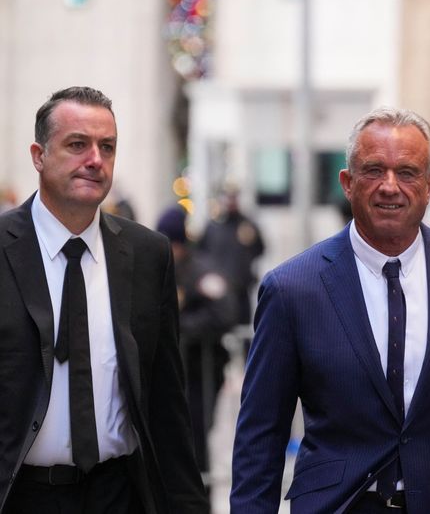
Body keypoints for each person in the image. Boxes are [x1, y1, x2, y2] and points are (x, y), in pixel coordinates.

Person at [231, 107, 430, 513]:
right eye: (374, 170)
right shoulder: (292, 288)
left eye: (408, 172)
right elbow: (260, 436)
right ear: (348, 183)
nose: (390, 186)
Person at [0, 87, 208, 513]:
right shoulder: (4, 249)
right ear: (39, 155)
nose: (95, 160)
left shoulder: (148, 254)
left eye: (107, 147)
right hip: (21, 496)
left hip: (119, 494)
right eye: (77, 144)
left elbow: (167, 404)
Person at [156, 206, 237, 479]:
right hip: (169, 373)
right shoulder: (160, 268)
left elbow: (224, 313)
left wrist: (180, 326)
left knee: (195, 444)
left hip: (200, 372)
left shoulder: (201, 270)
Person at [198, 187, 265, 325]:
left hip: (241, 290)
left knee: (244, 332)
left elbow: (260, 249)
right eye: (227, 197)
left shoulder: (247, 225)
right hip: (217, 291)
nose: (230, 201)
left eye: (233, 197)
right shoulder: (213, 227)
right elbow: (202, 254)